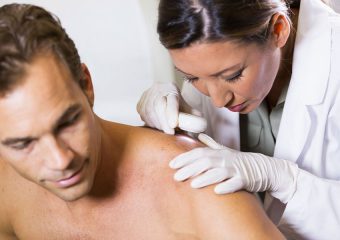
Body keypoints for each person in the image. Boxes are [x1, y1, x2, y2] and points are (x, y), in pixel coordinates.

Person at [0, 3, 286, 239]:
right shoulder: (7, 187)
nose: (60, 160)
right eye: (23, 144)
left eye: (67, 123)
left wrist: (287, 180)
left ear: (87, 85)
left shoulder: (200, 189)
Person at [137, 0, 340, 239]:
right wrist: (166, 122)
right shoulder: (215, 55)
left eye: (232, 76)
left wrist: (285, 181)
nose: (218, 101)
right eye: (192, 77)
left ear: (278, 31)